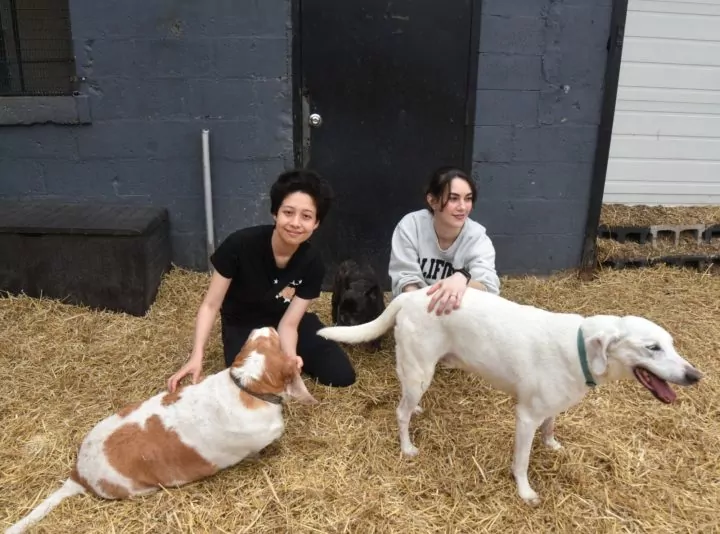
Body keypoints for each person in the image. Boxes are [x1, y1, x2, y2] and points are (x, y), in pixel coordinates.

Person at [167, 169, 356, 392]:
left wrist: (290, 357)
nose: (295, 223)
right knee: (253, 385)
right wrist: (196, 356)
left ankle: (290, 356)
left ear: (316, 223)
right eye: (288, 212)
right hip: (244, 326)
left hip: (283, 320)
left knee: (342, 375)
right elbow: (210, 305)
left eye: (306, 216)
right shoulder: (239, 245)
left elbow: (289, 323)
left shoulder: (313, 263)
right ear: (275, 213)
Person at [388, 166, 500, 316]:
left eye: (468, 198)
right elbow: (406, 281)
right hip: (418, 312)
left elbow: (488, 287)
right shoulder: (411, 226)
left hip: (455, 315)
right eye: (453, 198)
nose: (463, 207)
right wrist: (423, 314)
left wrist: (462, 279)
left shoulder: (477, 238)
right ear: (432, 201)